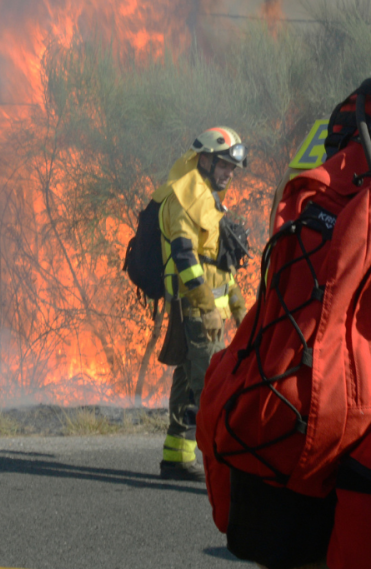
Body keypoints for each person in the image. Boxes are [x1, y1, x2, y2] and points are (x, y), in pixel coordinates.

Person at [155, 127, 249, 481]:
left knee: (187, 379)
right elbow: (185, 259)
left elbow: (218, 262)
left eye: (231, 168)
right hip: (198, 312)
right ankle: (218, 465)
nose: (228, 173)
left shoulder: (207, 198)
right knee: (208, 387)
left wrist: (237, 304)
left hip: (212, 311)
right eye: (223, 165)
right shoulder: (185, 198)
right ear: (205, 159)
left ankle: (176, 456)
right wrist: (206, 306)